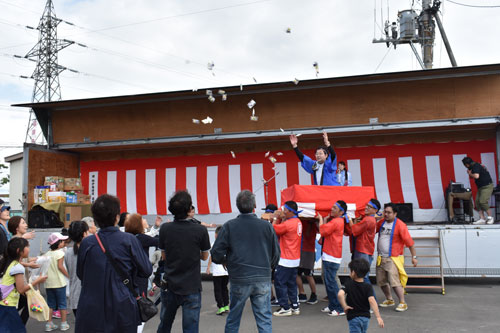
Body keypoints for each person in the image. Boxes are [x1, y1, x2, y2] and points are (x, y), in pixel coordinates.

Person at [76, 194, 152, 333]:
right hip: (122, 304)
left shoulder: (87, 243)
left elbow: (81, 274)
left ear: (95, 219)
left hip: (91, 305)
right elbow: (146, 270)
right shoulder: (129, 240)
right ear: (117, 217)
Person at [211, 190, 280, 332]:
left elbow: (216, 253)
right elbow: (276, 254)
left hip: (239, 277)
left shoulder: (229, 226)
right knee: (264, 319)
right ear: (254, 205)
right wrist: (268, 267)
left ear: (237, 206)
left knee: (233, 319)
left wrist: (226, 262)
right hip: (262, 276)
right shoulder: (266, 226)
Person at [157, 190, 210, 333]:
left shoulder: (165, 228)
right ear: (189, 209)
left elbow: (164, 257)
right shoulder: (200, 230)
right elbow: (205, 257)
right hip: (191, 286)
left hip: (170, 284)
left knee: (164, 325)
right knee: (191, 328)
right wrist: (192, 253)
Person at [376, 203, 418, 312]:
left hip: (393, 258)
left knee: (394, 282)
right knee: (381, 281)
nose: (386, 214)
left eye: (389, 212)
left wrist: (414, 257)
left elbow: (410, 243)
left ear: (395, 214)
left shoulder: (400, 225)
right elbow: (371, 230)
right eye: (385, 212)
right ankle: (389, 299)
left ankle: (403, 302)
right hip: (381, 257)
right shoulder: (381, 223)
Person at [0, 238, 47, 333]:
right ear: (19, 251)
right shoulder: (18, 267)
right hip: (8, 305)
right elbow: (21, 289)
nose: (29, 248)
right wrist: (37, 281)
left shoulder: (10, 263)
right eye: (27, 246)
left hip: (4, 303)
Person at [272, 201, 302, 316]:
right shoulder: (298, 221)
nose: (283, 211)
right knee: (291, 284)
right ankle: (295, 305)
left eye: (285, 210)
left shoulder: (289, 224)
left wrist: (275, 218)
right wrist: (283, 218)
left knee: (280, 283)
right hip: (295, 258)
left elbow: (272, 230)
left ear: (290, 211)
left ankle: (285, 307)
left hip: (286, 259)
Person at [338, 259, 384, 333]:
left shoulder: (348, 284)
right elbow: (372, 300)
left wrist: (345, 306)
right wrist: (378, 317)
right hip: (365, 317)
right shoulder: (368, 286)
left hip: (353, 317)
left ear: (353, 273)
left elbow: (340, 294)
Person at [317, 200, 347, 317]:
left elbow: (322, 231)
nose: (332, 209)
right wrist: (324, 221)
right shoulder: (337, 221)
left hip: (331, 255)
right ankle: (333, 305)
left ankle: (340, 307)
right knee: (328, 282)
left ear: (341, 211)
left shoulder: (337, 221)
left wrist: (321, 220)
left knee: (332, 284)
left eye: (335, 208)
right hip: (329, 254)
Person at [344, 199, 380, 287]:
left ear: (375, 210)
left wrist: (349, 219)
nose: (367, 207)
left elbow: (354, 230)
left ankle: (371, 297)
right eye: (367, 205)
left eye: (369, 207)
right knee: (361, 275)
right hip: (366, 249)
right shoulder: (370, 219)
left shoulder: (368, 220)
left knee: (362, 275)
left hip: (362, 249)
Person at [124, 213, 159, 296]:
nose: (145, 220)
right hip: (140, 275)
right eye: (142, 219)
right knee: (141, 301)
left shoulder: (127, 237)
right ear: (138, 224)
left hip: (129, 274)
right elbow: (159, 241)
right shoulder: (142, 238)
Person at [45, 232, 70, 331]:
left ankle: (49, 324)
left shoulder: (47, 254)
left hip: (49, 283)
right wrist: (68, 275)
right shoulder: (60, 253)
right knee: (62, 304)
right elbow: (60, 266)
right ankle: (63, 324)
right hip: (59, 283)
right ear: (58, 243)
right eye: (63, 241)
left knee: (50, 305)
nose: (64, 243)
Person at [65, 221, 89, 317]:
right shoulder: (90, 250)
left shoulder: (68, 253)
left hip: (75, 296)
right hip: (88, 297)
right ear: (84, 233)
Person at [462, 157, 495, 225]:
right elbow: (474, 176)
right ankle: (482, 218)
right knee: (477, 202)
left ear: (466, 164)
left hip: (487, 186)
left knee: (482, 202)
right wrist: (470, 173)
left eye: (465, 165)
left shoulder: (475, 166)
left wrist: (469, 173)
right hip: (481, 187)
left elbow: (476, 176)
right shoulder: (475, 166)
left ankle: (490, 217)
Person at [206, 226, 229, 316]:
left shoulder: (214, 244)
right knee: (224, 288)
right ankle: (226, 305)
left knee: (218, 289)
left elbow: (211, 257)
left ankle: (220, 307)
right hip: (226, 271)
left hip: (217, 272)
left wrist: (208, 267)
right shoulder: (227, 243)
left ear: (216, 235)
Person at [296, 219, 318, 305]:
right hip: (299, 250)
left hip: (308, 250)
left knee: (308, 274)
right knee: (297, 273)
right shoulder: (299, 221)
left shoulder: (312, 222)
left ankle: (313, 294)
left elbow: (308, 235)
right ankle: (302, 293)